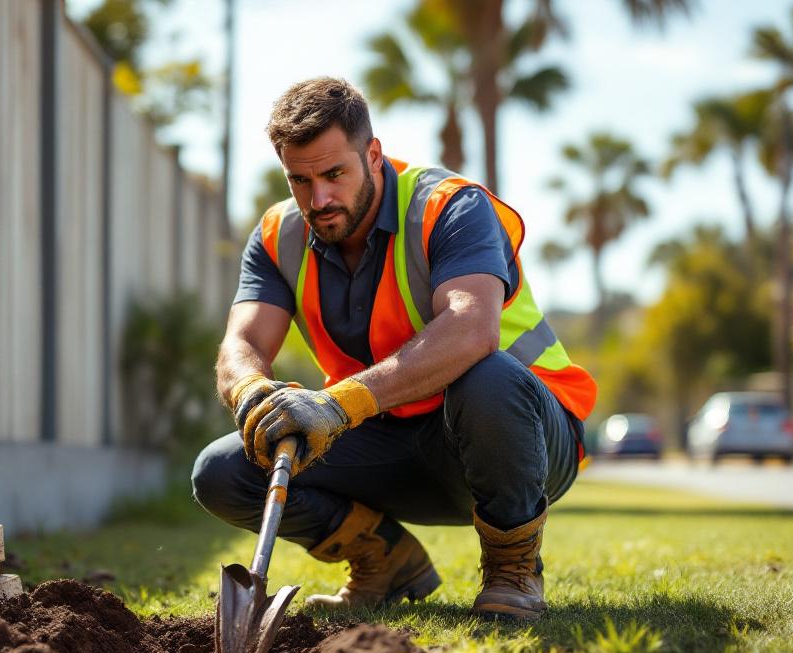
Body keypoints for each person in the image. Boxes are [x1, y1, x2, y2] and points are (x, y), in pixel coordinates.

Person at [191, 77, 596, 619]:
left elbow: (472, 330)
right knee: (221, 472)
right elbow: (242, 341)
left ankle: (513, 569)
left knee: (488, 375)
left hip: (521, 440)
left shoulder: (452, 207)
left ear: (373, 154)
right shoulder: (276, 237)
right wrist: (253, 394)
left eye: (335, 174)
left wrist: (337, 405)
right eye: (300, 180)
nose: (320, 199)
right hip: (389, 442)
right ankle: (384, 558)